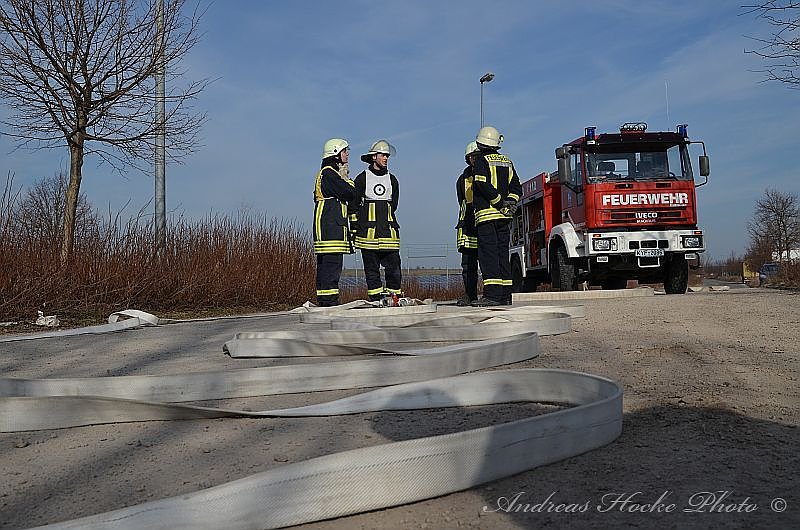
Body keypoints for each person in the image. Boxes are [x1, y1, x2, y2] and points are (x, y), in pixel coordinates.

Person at [470, 125, 522, 306]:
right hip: (504, 217)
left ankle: (491, 295)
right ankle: (506, 295)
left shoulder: (481, 162)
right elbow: (517, 187)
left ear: (480, 142)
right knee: (502, 255)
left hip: (486, 216)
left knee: (488, 255)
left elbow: (482, 184)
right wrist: (509, 203)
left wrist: (499, 202)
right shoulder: (507, 161)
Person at [350, 139, 402, 301]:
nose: (386, 158)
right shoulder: (361, 179)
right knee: (371, 270)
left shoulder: (392, 179)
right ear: (373, 157)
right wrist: (355, 228)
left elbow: (393, 205)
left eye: (387, 156)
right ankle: (376, 299)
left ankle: (394, 298)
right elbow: (353, 206)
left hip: (388, 233)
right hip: (368, 235)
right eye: (382, 155)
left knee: (394, 268)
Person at [312, 138, 356, 307]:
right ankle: (330, 302)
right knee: (332, 267)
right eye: (344, 151)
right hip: (331, 228)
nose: (347, 154)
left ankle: (324, 300)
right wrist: (347, 179)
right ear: (335, 153)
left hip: (326, 227)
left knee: (325, 267)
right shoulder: (330, 173)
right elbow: (350, 193)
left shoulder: (325, 173)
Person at [455, 141, 480, 306]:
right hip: (468, 226)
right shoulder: (462, 179)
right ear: (468, 158)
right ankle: (470, 295)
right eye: (472, 156)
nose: (474, 159)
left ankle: (492, 295)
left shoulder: (488, 174)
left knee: (489, 263)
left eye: (477, 156)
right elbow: (461, 201)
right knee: (468, 265)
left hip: (485, 223)